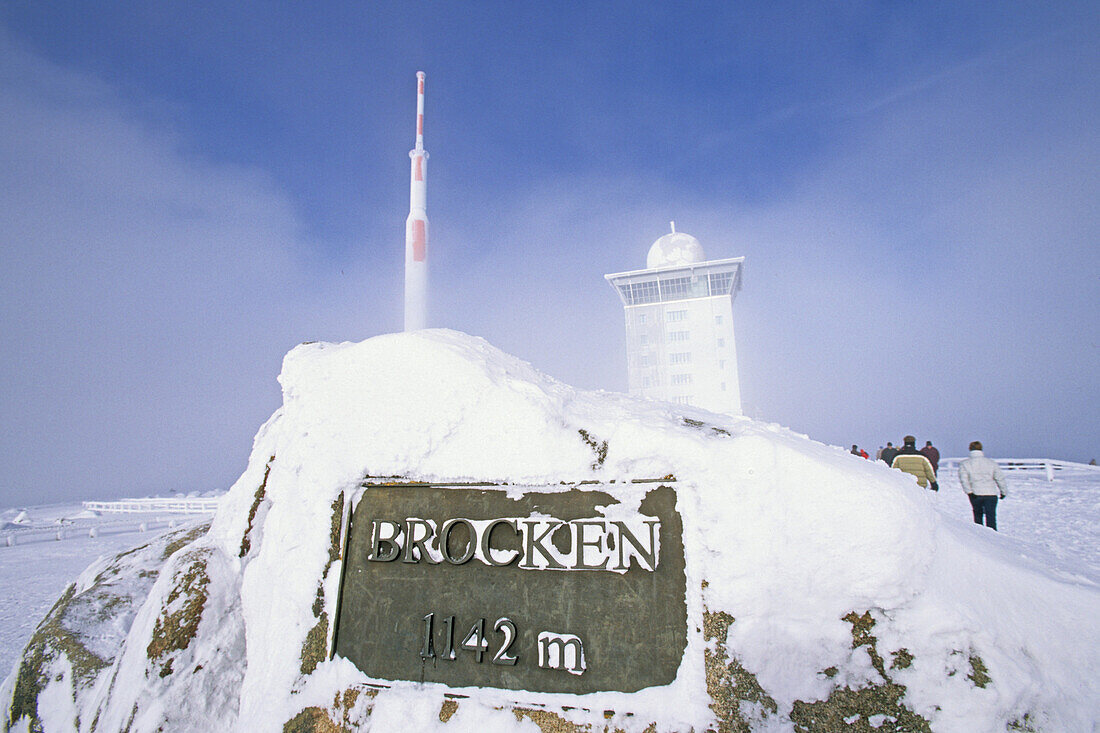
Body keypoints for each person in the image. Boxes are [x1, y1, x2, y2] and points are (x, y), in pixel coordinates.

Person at [958, 440, 1007, 530]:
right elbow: (999, 478)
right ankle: (993, 538)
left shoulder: (965, 464)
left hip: (975, 494)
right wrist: (1003, 491)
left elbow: (964, 480)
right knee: (991, 517)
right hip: (991, 493)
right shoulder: (991, 463)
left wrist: (969, 492)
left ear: (970, 449)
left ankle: (980, 538)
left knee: (978, 517)